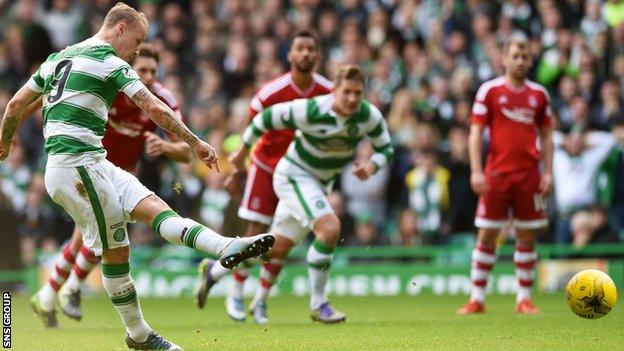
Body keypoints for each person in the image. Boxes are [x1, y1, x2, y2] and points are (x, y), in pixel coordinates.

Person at [0, 4, 273, 350]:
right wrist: (196, 142)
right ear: (120, 28)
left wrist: (5, 142)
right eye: (137, 40)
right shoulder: (109, 62)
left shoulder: (59, 57)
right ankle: (139, 335)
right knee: (117, 251)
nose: (136, 50)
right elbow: (155, 107)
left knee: (156, 209)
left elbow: (15, 105)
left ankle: (225, 247)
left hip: (94, 162)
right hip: (77, 168)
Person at [197, 65, 393, 324]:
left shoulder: (368, 116)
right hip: (294, 176)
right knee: (330, 227)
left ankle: (217, 270)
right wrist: (244, 150)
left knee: (274, 249)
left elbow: (386, 148)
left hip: (319, 184)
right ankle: (319, 303)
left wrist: (372, 165)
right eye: (346, 92)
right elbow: (265, 119)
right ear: (334, 90)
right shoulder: (311, 109)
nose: (352, 99)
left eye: (358, 93)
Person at [32, 42, 194, 326]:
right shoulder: (109, 86)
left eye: (153, 71)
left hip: (123, 176)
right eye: (141, 69)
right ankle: (66, 290)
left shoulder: (161, 98)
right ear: (131, 68)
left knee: (90, 237)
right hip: (88, 167)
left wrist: (166, 148)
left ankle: (51, 294)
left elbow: (184, 152)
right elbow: (51, 94)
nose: (148, 76)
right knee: (95, 237)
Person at [195, 30, 333, 324]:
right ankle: (236, 292)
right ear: (291, 55)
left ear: (318, 56)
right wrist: (239, 167)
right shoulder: (272, 92)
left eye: (312, 49)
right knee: (255, 232)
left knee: (283, 237)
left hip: (301, 173)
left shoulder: (328, 92)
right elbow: (250, 129)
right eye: (301, 49)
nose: (306, 54)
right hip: (267, 167)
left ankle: (260, 299)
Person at [457, 35, 554, 315]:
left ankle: (524, 299)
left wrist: (547, 172)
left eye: (525, 57)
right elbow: (475, 132)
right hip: (497, 174)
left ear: (531, 60)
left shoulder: (539, 95)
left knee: (527, 235)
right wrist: (476, 170)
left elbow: (547, 135)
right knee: (487, 233)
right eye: (515, 56)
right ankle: (477, 299)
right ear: (504, 58)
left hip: (528, 175)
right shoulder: (489, 91)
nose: (520, 61)